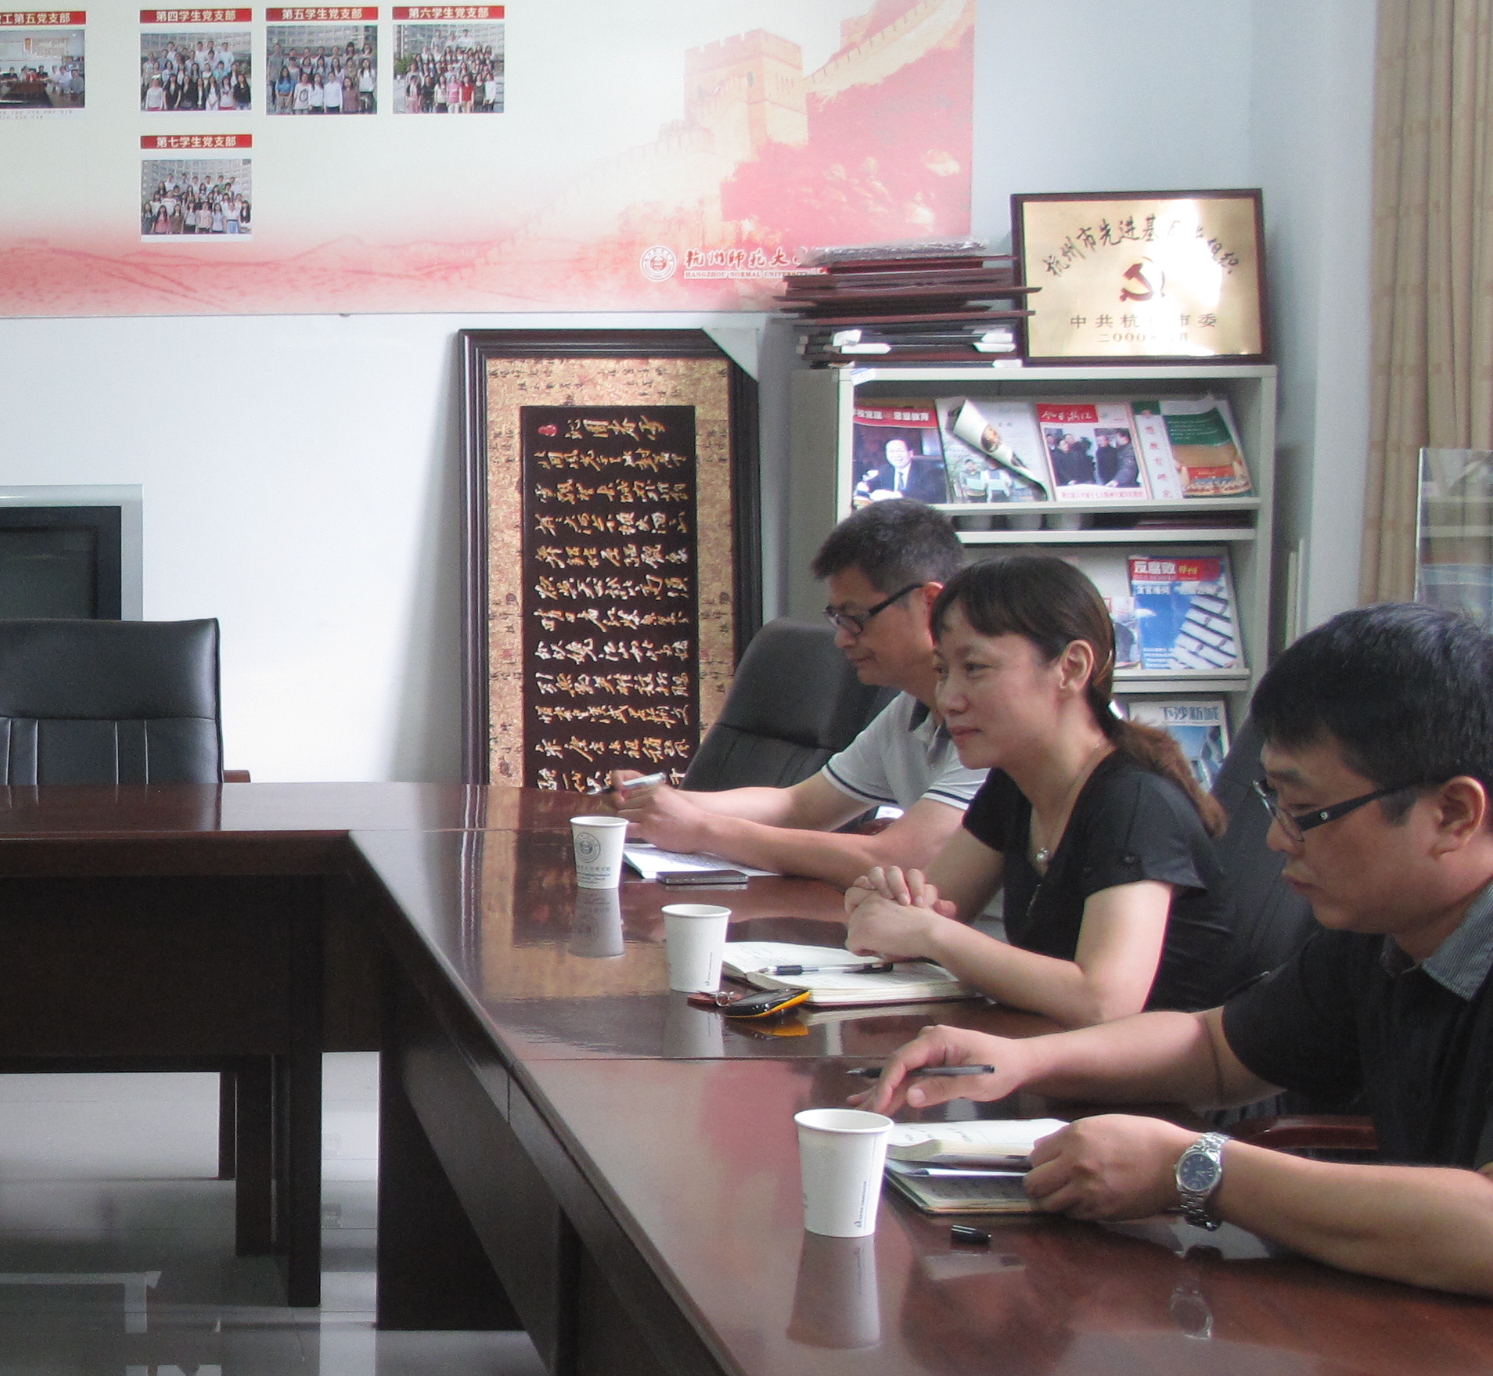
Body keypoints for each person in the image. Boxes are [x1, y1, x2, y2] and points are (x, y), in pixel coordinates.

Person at [873, 603, 1493, 1296]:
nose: (1276, 840)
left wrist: (1197, 1169)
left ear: (1454, 815)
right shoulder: (1380, 935)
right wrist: (1022, 1059)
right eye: (1275, 803)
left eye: (1305, 812)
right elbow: (1217, 1050)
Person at [844, 552, 1233, 1025]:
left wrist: (925, 932)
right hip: (1054, 1054)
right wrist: (883, 905)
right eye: (943, 671)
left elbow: (1104, 1000)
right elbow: (933, 905)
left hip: (1160, 1073)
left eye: (975, 668)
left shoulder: (1134, 801)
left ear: (1071, 667)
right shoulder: (1015, 781)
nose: (948, 699)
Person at [610, 502, 988, 884]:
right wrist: (659, 802)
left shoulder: (990, 720)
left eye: (856, 618)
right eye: (838, 620)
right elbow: (799, 806)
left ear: (930, 603)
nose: (842, 640)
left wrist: (701, 829)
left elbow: (896, 858)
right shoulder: (909, 711)